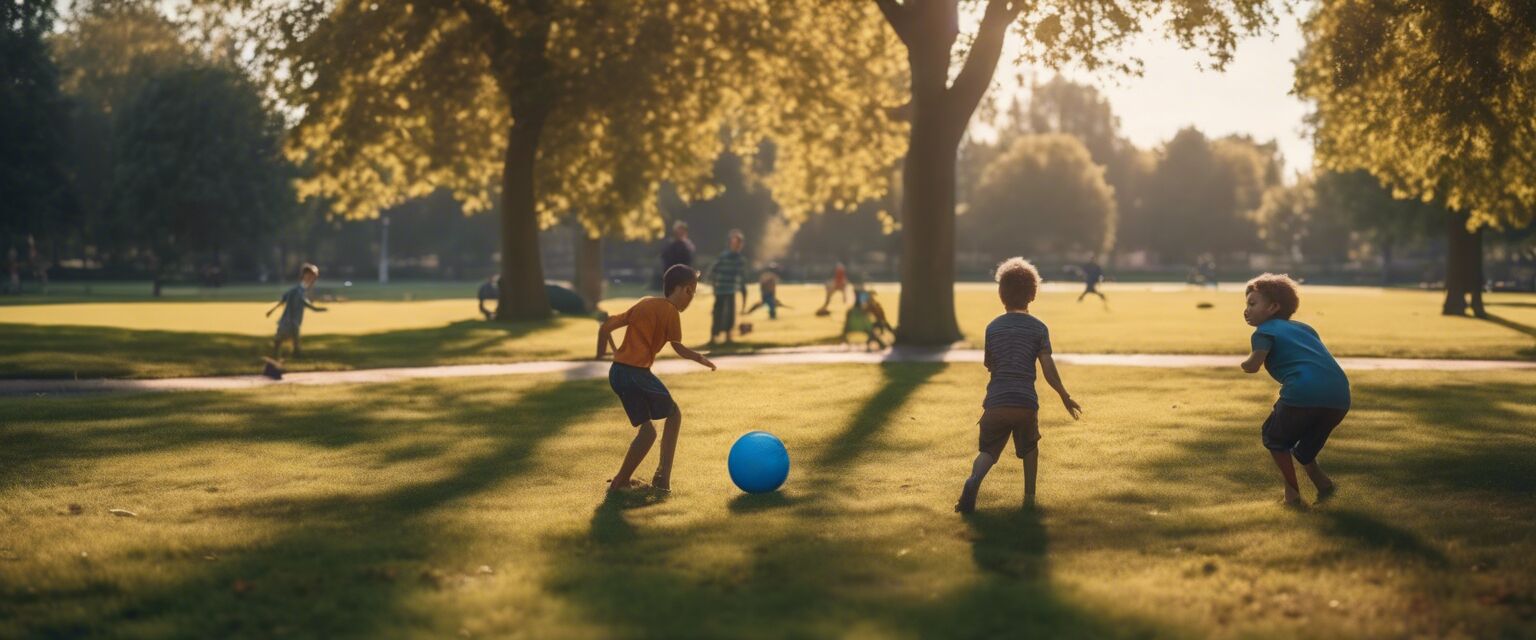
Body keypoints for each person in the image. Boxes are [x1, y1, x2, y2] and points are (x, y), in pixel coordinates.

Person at [955, 258, 1082, 514]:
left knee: (988, 451)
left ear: (1001, 294)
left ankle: (973, 482)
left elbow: (989, 363)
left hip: (996, 403)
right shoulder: (1039, 329)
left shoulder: (992, 328)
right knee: (1030, 448)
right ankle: (1029, 498)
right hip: (1025, 402)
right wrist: (1064, 396)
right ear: (1032, 294)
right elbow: (1048, 369)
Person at [596, 264, 716, 493]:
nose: (690, 298)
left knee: (648, 432)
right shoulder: (670, 311)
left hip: (618, 373)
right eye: (692, 291)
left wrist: (608, 351)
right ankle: (662, 481)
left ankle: (621, 481)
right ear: (685, 290)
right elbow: (678, 348)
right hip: (637, 374)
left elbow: (606, 327)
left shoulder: (644, 303)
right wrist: (700, 358)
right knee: (674, 414)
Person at [1240, 273, 1349, 507]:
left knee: (1274, 436)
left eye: (1252, 304)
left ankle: (1292, 496)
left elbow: (1253, 365)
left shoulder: (1264, 332)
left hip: (1303, 392)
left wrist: (1245, 364)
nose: (1246, 310)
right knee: (1304, 448)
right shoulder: (1306, 328)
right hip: (1339, 397)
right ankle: (1324, 485)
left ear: (1273, 307)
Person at [265, 263, 327, 360]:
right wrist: (319, 309)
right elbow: (289, 300)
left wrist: (271, 311)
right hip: (290, 322)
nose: (313, 279)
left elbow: (285, 299)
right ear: (305, 276)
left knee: (285, 342)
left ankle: (280, 360)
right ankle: (277, 361)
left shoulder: (300, 290)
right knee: (282, 342)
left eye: (314, 277)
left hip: (291, 322)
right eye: (311, 276)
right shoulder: (297, 291)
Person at [706, 230, 747, 345]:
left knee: (730, 314)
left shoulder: (740, 260)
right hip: (720, 289)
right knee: (717, 313)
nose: (737, 246)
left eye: (739, 243)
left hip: (731, 290)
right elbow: (712, 270)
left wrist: (743, 294)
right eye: (734, 243)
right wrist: (713, 284)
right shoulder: (723, 257)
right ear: (730, 244)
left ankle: (728, 336)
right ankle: (714, 336)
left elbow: (742, 278)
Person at [659, 221, 695, 290]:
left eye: (682, 231)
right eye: (678, 231)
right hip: (672, 276)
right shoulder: (670, 245)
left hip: (684, 277)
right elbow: (665, 259)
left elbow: (690, 261)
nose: (680, 233)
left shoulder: (688, 246)